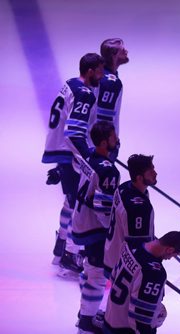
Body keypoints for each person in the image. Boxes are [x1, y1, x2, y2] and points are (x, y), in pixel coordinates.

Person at [60, 38, 129, 277]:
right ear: (113, 56)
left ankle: (64, 246)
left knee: (75, 196)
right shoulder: (110, 81)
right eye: (122, 50)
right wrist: (106, 148)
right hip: (95, 146)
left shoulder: (104, 79)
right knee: (86, 200)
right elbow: (104, 117)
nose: (126, 52)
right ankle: (72, 250)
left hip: (91, 145)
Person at [42, 53, 105, 266]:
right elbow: (75, 132)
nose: (102, 75)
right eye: (99, 70)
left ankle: (62, 244)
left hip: (61, 150)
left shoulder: (70, 83)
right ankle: (69, 253)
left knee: (70, 200)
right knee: (79, 203)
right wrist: (89, 157)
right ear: (89, 71)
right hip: (71, 153)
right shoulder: (85, 94)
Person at [70, 121, 120, 333]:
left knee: (90, 269)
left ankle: (84, 313)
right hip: (95, 228)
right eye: (112, 136)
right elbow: (104, 209)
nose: (116, 139)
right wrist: (115, 232)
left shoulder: (90, 156)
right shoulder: (109, 171)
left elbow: (75, 165)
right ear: (103, 142)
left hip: (81, 221)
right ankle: (87, 322)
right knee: (98, 274)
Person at [104, 231, 180, 333]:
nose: (170, 258)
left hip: (109, 319)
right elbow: (140, 317)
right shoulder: (154, 273)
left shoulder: (131, 246)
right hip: (123, 329)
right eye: (174, 255)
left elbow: (113, 277)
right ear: (170, 249)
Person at [103, 154, 157, 278]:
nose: (155, 173)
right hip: (123, 267)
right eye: (150, 171)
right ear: (139, 177)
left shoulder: (124, 188)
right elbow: (137, 247)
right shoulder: (139, 208)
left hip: (111, 253)